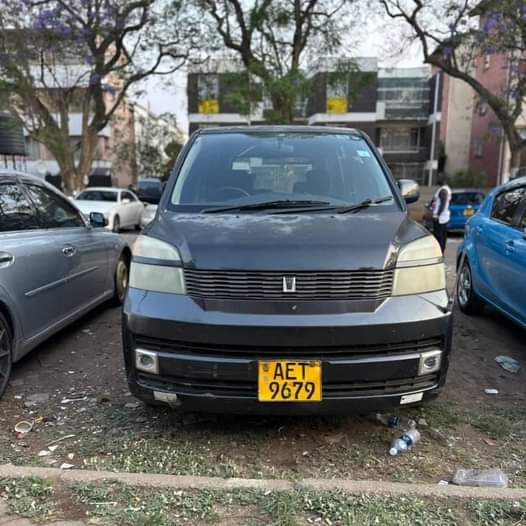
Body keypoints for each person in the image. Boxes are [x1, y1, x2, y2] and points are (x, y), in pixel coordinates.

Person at [432, 173, 452, 253]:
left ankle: (440, 253)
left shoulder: (443, 190)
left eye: (439, 178)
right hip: (444, 218)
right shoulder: (445, 189)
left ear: (443, 180)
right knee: (442, 237)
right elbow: (437, 202)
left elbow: (442, 205)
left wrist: (437, 215)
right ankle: (441, 252)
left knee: (439, 237)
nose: (437, 179)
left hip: (440, 219)